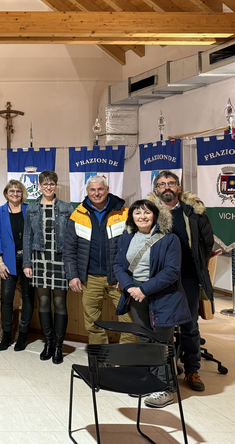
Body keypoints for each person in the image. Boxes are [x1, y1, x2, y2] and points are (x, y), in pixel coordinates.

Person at [114, 199, 190, 408]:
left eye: (147, 212)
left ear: (155, 216)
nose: (142, 216)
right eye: (137, 213)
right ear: (132, 217)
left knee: (162, 343)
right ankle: (149, 381)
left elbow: (171, 272)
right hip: (136, 294)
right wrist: (130, 287)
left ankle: (166, 389)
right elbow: (119, 264)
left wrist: (143, 289)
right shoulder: (127, 238)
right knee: (146, 340)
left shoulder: (169, 239)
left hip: (163, 297)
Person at [150, 170, 216, 393]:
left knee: (189, 327)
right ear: (156, 190)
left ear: (178, 188)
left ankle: (192, 369)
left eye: (171, 183)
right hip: (159, 281)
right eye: (161, 184)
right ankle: (161, 370)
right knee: (161, 328)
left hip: (187, 279)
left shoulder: (194, 213)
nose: (166, 187)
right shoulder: (148, 213)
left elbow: (206, 245)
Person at [64, 175, 137, 344]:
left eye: (100, 189)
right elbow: (69, 248)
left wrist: (127, 276)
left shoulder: (124, 213)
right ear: (87, 191)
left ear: (107, 190)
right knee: (92, 324)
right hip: (90, 279)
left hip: (119, 278)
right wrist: (72, 275)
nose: (96, 193)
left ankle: (125, 361)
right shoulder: (77, 215)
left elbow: (134, 247)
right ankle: (101, 360)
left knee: (130, 321)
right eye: (92, 190)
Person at [22, 171, 74, 363]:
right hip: (40, 259)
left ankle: (59, 346)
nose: (48, 187)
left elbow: (72, 238)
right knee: (43, 302)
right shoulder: (32, 208)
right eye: (45, 184)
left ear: (56, 185)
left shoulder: (66, 208)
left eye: (51, 184)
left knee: (60, 303)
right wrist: (27, 263)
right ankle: (48, 343)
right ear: (40, 186)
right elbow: (27, 237)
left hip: (60, 260)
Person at [0, 179, 33, 352]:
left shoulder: (29, 210)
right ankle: (6, 335)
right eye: (12, 191)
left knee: (28, 298)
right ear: (6, 193)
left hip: (28, 261)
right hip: (7, 261)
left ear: (23, 194)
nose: (15, 194)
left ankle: (23, 335)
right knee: (6, 298)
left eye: (18, 191)